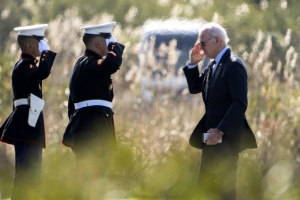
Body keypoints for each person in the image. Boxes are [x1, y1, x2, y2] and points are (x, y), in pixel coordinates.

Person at [183, 22, 257, 200]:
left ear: (217, 40)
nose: (200, 47)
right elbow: (195, 88)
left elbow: (239, 103)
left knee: (225, 192)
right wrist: (193, 64)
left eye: (203, 43)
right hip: (210, 139)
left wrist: (220, 130)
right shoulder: (213, 65)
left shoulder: (233, 65)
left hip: (226, 140)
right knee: (204, 189)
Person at [62, 21, 125, 200]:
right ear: (98, 43)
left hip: (89, 129)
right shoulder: (88, 64)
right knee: (91, 180)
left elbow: (71, 106)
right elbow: (112, 63)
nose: (111, 43)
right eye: (108, 38)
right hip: (92, 131)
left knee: (92, 179)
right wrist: (116, 46)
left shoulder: (85, 65)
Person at [0, 24, 56, 200]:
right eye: (40, 41)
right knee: (26, 174)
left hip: (29, 124)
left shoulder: (28, 65)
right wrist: (47, 54)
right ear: (30, 45)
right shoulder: (24, 65)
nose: (43, 44)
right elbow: (43, 72)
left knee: (32, 175)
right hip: (26, 125)